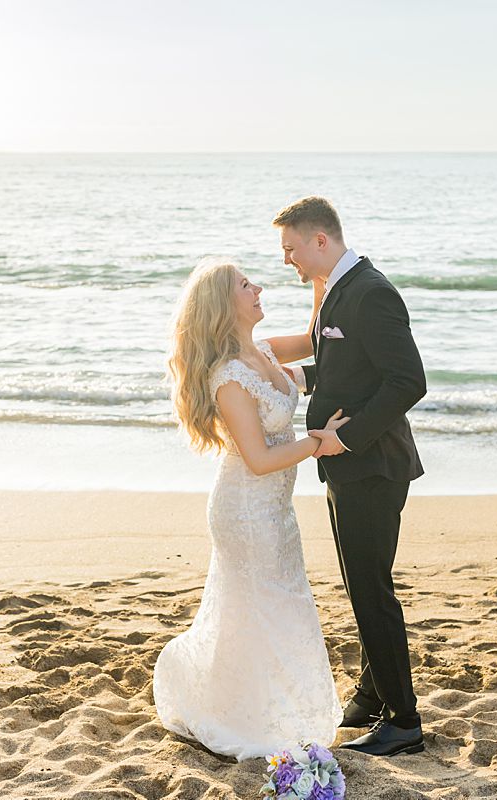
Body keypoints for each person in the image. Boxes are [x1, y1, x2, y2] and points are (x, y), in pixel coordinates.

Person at [152, 256, 345, 761]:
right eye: (245, 284)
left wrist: (323, 276)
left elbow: (313, 341)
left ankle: (264, 703)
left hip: (275, 511)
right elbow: (258, 460)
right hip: (245, 509)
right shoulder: (228, 377)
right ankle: (243, 712)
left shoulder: (262, 350)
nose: (258, 287)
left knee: (276, 605)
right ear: (225, 304)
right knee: (262, 607)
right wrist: (317, 443)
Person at [274, 196, 428, 757]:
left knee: (372, 589)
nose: (287, 260)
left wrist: (347, 436)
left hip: (372, 465)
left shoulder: (371, 292)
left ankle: (403, 721)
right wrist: (298, 375)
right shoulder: (339, 289)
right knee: (359, 583)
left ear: (320, 240)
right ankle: (370, 692)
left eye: (291, 248)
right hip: (345, 466)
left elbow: (408, 381)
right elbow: (349, 371)